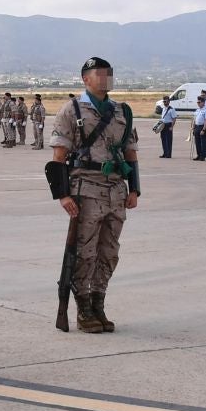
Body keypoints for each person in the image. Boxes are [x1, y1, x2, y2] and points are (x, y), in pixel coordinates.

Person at [45, 57, 139, 335]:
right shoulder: (71, 110)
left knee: (109, 252)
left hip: (116, 191)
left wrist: (134, 188)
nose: (105, 78)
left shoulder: (123, 111)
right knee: (84, 252)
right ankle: (83, 306)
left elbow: (131, 153)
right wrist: (63, 195)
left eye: (109, 73)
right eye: (99, 74)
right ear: (86, 79)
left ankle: (99, 302)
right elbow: (58, 158)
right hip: (85, 188)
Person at [192, 91, 206, 161]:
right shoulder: (197, 110)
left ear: (203, 103)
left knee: (203, 142)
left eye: (199, 102)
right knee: (197, 142)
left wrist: (204, 129)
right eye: (197, 102)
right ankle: (198, 155)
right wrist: (193, 126)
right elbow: (195, 119)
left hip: (202, 127)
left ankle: (203, 156)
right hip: (197, 127)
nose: (198, 103)